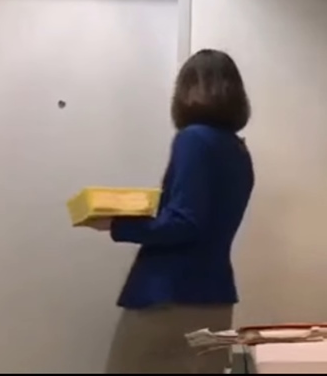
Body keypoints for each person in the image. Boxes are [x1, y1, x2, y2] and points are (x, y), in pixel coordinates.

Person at [87, 49, 255, 374]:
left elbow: (184, 223)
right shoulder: (237, 151)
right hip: (216, 301)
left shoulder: (193, 139)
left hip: (169, 300)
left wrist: (116, 224)